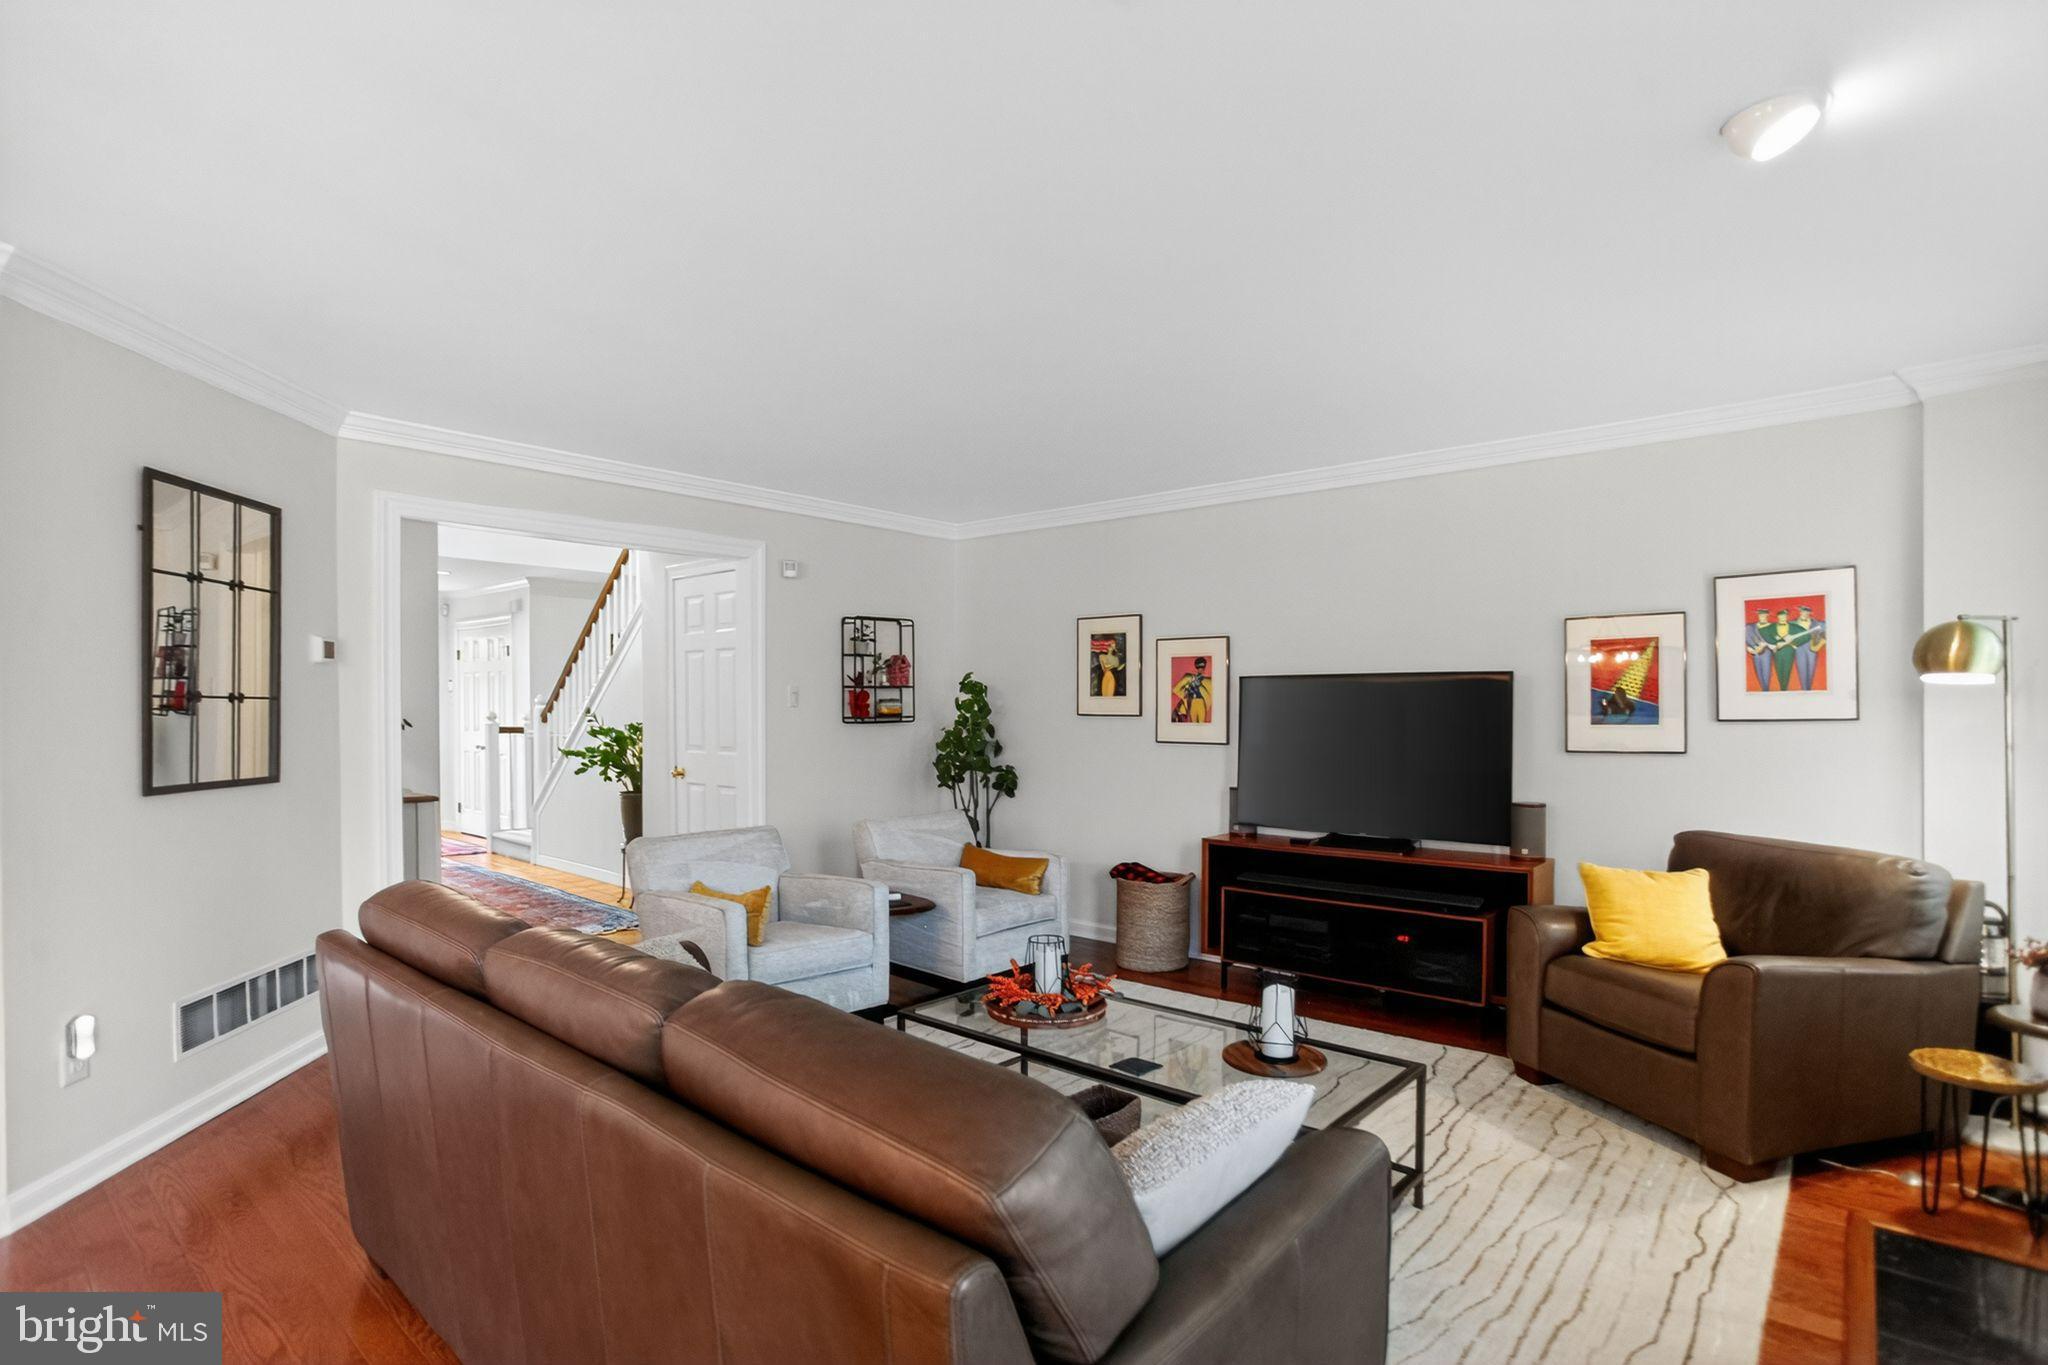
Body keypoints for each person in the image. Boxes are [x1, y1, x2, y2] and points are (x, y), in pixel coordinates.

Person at [1792, 604, 1827, 690]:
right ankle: (1804, 689)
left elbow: (1827, 629)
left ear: (1810, 613)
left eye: (1807, 612)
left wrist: (1822, 642)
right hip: (1799, 648)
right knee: (1802, 670)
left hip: (1812, 647)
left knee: (1811, 669)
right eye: (1803, 611)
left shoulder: (1817, 623)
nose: (1805, 613)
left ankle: (1809, 690)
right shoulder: (1792, 623)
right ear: (1800, 612)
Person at [1171, 657, 1213, 723]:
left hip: (1201, 702)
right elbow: (1175, 690)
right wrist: (1186, 696)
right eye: (1199, 666)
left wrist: (1199, 686)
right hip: (1192, 702)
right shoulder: (1189, 677)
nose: (1201, 669)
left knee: (1201, 723)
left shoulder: (1209, 681)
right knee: (1193, 723)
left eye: (1202, 667)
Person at [1768, 609, 1797, 691]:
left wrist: (1795, 645)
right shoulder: (1771, 627)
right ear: (1777, 617)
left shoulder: (1793, 627)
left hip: (1789, 650)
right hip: (1777, 651)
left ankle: (1785, 688)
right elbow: (1765, 635)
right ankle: (1782, 688)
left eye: (1784, 616)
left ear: (1787, 617)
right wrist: (1772, 644)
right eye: (1781, 616)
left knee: (1787, 670)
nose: (1783, 618)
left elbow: (1802, 636)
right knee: (1779, 670)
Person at [1745, 607, 1773, 690]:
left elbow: (1774, 640)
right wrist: (1749, 648)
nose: (1762, 617)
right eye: (1760, 615)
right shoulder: (1750, 627)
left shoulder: (1772, 627)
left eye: (1764, 615)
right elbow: (1746, 638)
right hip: (1755, 653)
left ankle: (1766, 690)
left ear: (1767, 616)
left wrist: (1764, 645)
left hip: (1766, 653)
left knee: (1766, 674)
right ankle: (1764, 690)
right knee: (1759, 674)